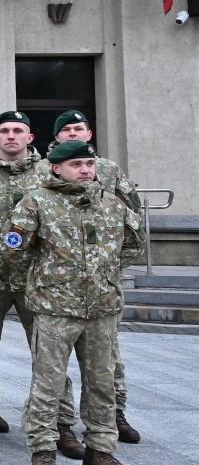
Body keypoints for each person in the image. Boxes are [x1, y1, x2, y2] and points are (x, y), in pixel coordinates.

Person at [7, 140, 143, 465]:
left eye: (88, 163)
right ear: (57, 168)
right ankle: (43, 450)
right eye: (76, 164)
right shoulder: (37, 202)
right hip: (56, 309)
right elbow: (14, 249)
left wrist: (106, 274)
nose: (84, 169)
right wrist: (46, 281)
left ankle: (100, 451)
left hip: (101, 308)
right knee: (48, 383)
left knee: (102, 383)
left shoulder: (111, 204)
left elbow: (133, 243)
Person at [51, 109, 143, 444]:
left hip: (101, 288)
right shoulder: (45, 171)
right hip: (60, 289)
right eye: (67, 130)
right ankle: (62, 422)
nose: (73, 134)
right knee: (53, 365)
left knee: (107, 362)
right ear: (57, 138)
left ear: (89, 134)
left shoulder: (106, 170)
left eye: (79, 129)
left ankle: (115, 415)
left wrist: (111, 269)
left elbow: (132, 222)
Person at [0, 111, 57, 443]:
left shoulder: (49, 176)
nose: (11, 136)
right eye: (4, 131)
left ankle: (58, 422)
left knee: (48, 352)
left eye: (18, 130)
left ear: (30, 138)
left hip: (37, 280)